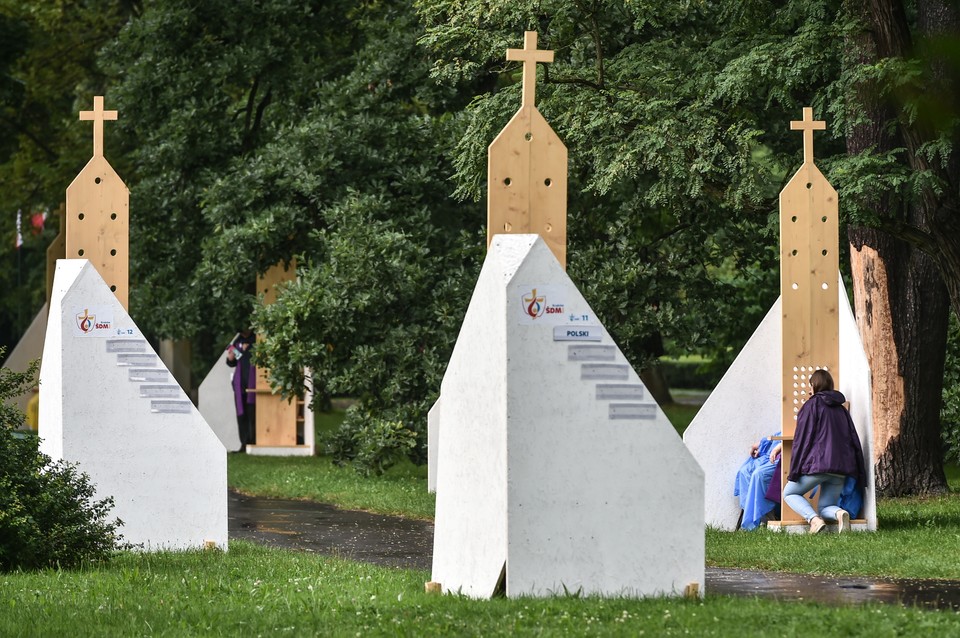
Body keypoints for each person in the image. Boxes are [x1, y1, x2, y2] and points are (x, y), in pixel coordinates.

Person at [783, 369, 866, 534]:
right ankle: (840, 513)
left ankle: (814, 521)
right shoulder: (842, 410)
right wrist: (859, 471)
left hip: (819, 466)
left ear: (814, 385)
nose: (808, 391)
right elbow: (854, 439)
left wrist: (794, 471)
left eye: (809, 386)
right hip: (841, 469)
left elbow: (802, 441)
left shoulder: (811, 405)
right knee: (826, 506)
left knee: (789, 493)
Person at [734, 432, 782, 530]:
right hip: (770, 454)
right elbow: (778, 435)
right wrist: (759, 444)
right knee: (744, 472)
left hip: (782, 457)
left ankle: (768, 518)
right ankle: (752, 519)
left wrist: (777, 448)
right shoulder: (787, 421)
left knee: (759, 475)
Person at [226, 329, 257, 452]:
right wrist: (231, 357)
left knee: (253, 415)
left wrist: (244, 350)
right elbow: (232, 362)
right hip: (240, 384)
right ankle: (244, 444)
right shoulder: (237, 341)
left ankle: (254, 442)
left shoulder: (256, 340)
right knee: (241, 415)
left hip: (254, 383)